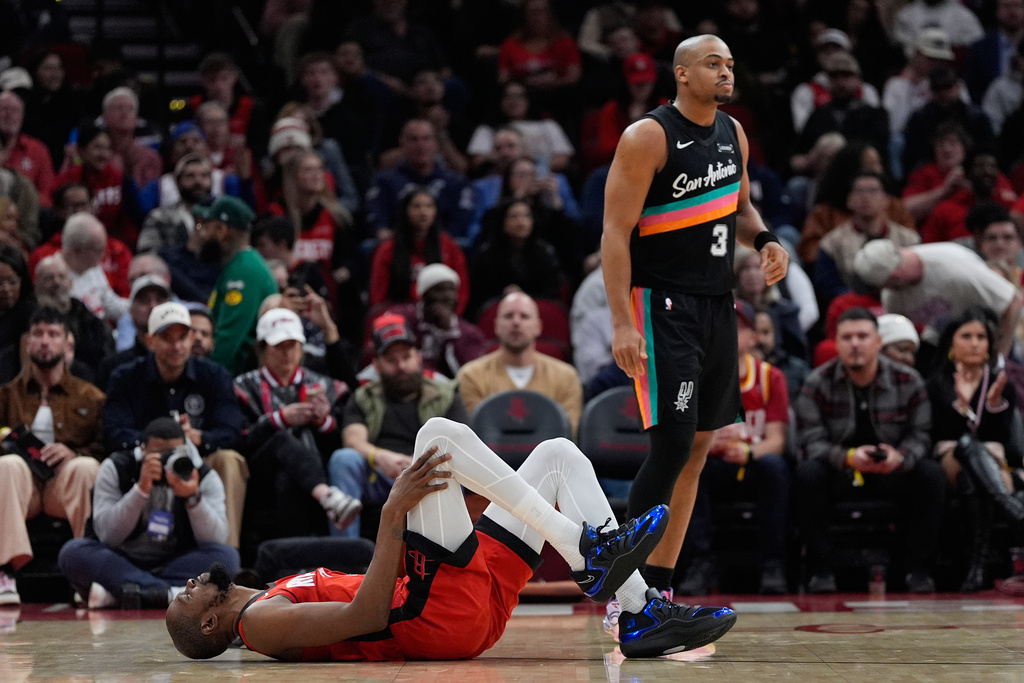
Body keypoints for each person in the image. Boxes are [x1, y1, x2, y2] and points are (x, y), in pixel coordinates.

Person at [166, 417, 738, 660]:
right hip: (429, 618)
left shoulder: (267, 594)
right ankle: (587, 551)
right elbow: (366, 616)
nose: (185, 586)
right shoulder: (257, 624)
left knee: (559, 455)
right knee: (436, 436)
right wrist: (393, 518)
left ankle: (637, 611)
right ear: (210, 624)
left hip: (457, 609)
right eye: (182, 601)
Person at [600, 34, 790, 610]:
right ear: (682, 74)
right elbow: (614, 233)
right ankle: (623, 594)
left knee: (702, 443)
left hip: (717, 302)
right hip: (661, 304)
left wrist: (765, 239)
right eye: (714, 64)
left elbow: (740, 206)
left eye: (731, 64)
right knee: (674, 443)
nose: (726, 73)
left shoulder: (734, 133)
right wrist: (620, 323)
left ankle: (659, 588)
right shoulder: (647, 136)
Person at [795, 307, 945, 593]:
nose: (855, 344)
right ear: (836, 343)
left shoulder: (908, 381)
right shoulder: (817, 382)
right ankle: (821, 570)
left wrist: (900, 457)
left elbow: (922, 435)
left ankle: (918, 570)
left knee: (931, 473)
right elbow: (810, 440)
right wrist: (849, 457)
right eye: (847, 337)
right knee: (807, 474)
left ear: (878, 341)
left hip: (892, 470)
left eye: (863, 336)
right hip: (842, 470)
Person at [103, 302, 248, 549]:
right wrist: (155, 444)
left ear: (192, 338)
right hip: (143, 464)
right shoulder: (125, 377)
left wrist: (199, 437)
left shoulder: (214, 376)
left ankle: (225, 554)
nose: (177, 346)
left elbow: (234, 431)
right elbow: (113, 432)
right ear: (150, 341)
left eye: (183, 337)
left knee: (229, 459)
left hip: (198, 466)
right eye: (167, 338)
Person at [58, 416, 239, 609]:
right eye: (159, 455)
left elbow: (216, 537)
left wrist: (193, 498)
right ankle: (171, 593)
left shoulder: (202, 475)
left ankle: (123, 592)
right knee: (72, 553)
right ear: (142, 450)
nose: (167, 461)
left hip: (176, 560)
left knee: (227, 557)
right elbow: (108, 536)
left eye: (174, 453)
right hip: (122, 558)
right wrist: (140, 490)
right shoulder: (116, 467)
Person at [675, 300, 791, 596]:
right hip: (712, 463)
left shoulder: (769, 377)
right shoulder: (696, 377)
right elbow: (681, 436)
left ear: (753, 337)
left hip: (753, 463)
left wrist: (749, 452)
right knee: (689, 470)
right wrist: (709, 442)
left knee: (775, 468)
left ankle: (773, 564)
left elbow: (777, 439)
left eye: (736, 326)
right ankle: (700, 563)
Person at [326, 314, 470, 539]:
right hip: (380, 474)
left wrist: (418, 464)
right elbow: (353, 440)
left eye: (406, 357)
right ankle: (347, 559)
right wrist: (380, 457)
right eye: (391, 360)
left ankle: (446, 559)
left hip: (427, 473)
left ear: (418, 357)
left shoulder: (446, 395)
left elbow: (461, 444)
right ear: (376, 365)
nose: (401, 366)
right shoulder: (365, 397)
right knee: (343, 459)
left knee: (450, 473)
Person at [0, 306, 105, 606]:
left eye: (53, 334)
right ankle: (5, 570)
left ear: (68, 344)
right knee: (7, 464)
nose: (45, 341)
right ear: (27, 343)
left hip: (63, 485)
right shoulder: (7, 395)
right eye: (38, 334)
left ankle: (86, 569)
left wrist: (73, 452)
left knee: (87, 467)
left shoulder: (91, 396)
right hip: (24, 488)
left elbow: (103, 448)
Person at [233, 308, 359, 554]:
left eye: (293, 345)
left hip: (310, 469)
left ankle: (296, 564)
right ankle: (328, 497)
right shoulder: (243, 386)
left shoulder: (325, 385)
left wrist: (324, 422)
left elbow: (344, 439)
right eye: (279, 346)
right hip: (259, 472)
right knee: (281, 437)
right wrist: (279, 419)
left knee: (290, 478)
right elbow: (239, 441)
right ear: (263, 348)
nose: (287, 353)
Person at [926, 307, 1024, 591]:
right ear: (951, 344)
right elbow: (940, 434)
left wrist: (993, 407)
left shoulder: (1002, 385)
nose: (975, 343)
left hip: (992, 461)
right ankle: (1016, 512)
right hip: (949, 456)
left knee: (974, 479)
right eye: (966, 336)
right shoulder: (936, 383)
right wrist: (961, 405)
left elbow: (1004, 439)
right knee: (966, 446)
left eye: (981, 337)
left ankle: (975, 570)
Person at [853, 238, 1024, 359]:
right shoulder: (892, 297)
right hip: (943, 343)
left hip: (992, 334)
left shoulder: (956, 269)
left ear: (897, 275)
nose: (887, 290)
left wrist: (1001, 356)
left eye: (888, 284)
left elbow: (1013, 301)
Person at [457, 291, 583, 432]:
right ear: (496, 326)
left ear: (538, 327)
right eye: (508, 316)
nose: (516, 322)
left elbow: (568, 432)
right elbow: (474, 432)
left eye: (524, 316)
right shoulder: (470, 375)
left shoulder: (566, 377)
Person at [195, 195, 278, 375]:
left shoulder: (244, 271)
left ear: (222, 230)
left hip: (240, 377)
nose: (200, 235)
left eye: (204, 227)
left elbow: (228, 341)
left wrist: (203, 379)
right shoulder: (237, 266)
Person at [814, 171, 920, 308]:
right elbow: (828, 288)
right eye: (859, 191)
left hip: (902, 305)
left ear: (886, 200)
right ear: (849, 200)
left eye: (873, 191)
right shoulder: (832, 243)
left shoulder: (909, 240)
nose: (866, 197)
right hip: (852, 310)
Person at [367, 188, 470, 316]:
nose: (423, 212)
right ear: (405, 211)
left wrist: (451, 317)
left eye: (429, 206)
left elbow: (461, 290)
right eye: (416, 206)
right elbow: (378, 296)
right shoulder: (388, 249)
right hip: (399, 318)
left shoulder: (450, 247)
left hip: (442, 317)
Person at [386, 263, 487, 380]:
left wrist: (449, 331)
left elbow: (474, 376)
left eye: (452, 290)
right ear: (423, 295)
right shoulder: (402, 317)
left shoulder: (469, 333)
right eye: (439, 290)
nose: (448, 296)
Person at [33, 253, 113, 376]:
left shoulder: (90, 320)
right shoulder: (28, 319)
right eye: (49, 278)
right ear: (37, 285)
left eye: (62, 277)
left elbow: (104, 359)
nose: (57, 282)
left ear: (70, 282)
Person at [95, 273, 170, 391]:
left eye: (160, 300)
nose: (153, 306)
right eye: (144, 301)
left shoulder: (185, 362)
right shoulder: (114, 366)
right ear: (130, 312)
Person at [136, 153, 214, 253]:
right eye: (190, 176)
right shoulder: (159, 218)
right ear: (177, 182)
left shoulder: (222, 217)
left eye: (204, 176)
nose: (198, 181)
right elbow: (147, 254)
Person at [0, 89, 55, 207]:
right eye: (3, 109)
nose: (8, 114)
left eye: (14, 110)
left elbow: (47, 193)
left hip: (27, 213)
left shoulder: (38, 150)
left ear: (22, 116)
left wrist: (25, 205)